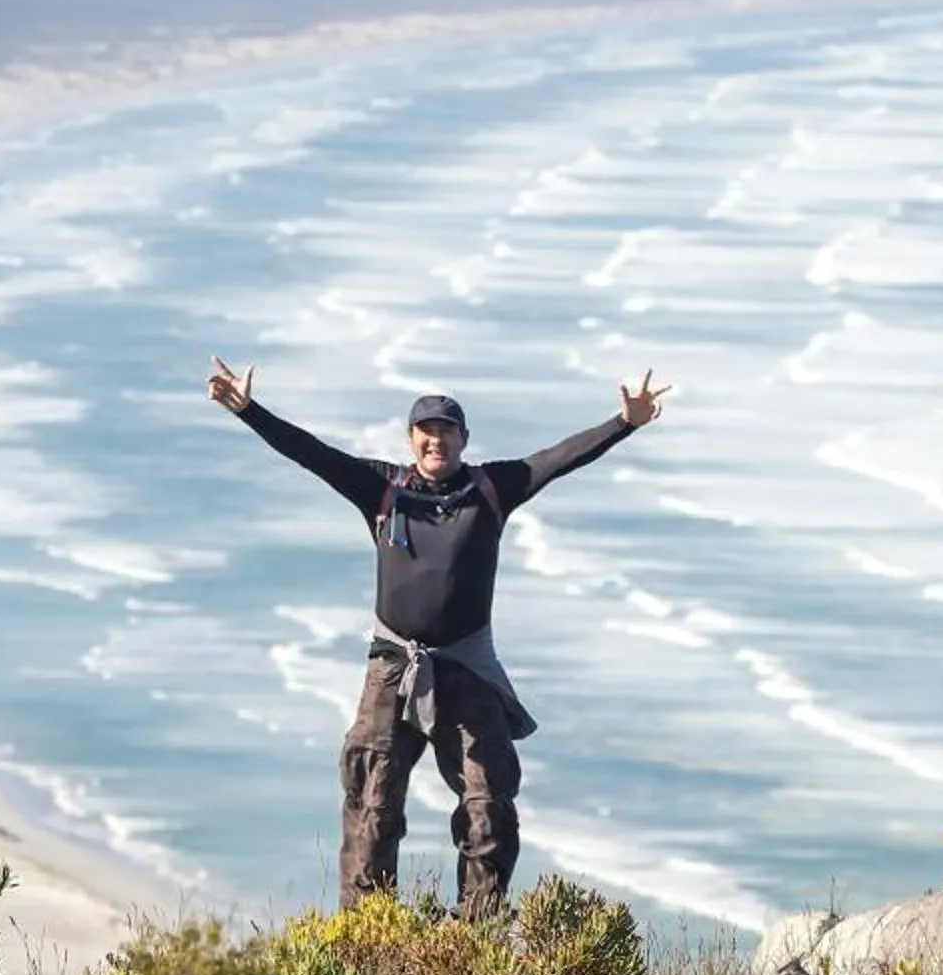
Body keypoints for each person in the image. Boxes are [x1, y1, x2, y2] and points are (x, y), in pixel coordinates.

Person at [206, 357, 670, 917]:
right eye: (426, 432)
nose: (436, 441)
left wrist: (624, 423)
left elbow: (558, 459)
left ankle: (475, 931)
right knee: (372, 804)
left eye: (447, 431)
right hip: (393, 667)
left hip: (466, 669)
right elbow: (312, 454)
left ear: (463, 439)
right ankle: (367, 934)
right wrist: (248, 410)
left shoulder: (493, 488)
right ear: (411, 440)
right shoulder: (382, 489)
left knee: (488, 803)